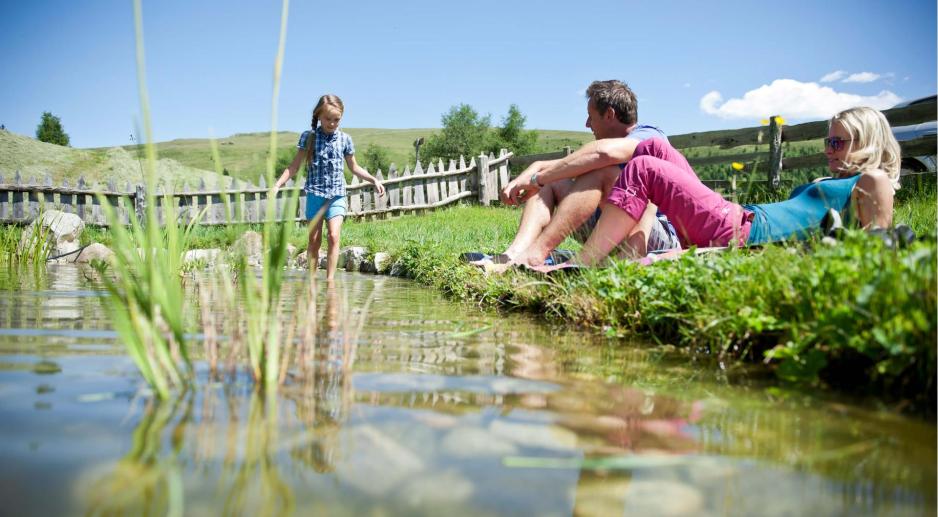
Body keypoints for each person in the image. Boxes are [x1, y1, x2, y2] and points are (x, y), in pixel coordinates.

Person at [546, 106, 901, 268]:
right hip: (740, 220)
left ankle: (585, 262)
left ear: (868, 142)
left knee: (644, 167)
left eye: (838, 143)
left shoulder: (874, 180)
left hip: (743, 230)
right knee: (653, 148)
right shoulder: (836, 182)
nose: (828, 149)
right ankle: (617, 254)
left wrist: (708, 254)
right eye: (828, 142)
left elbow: (872, 254)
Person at [491, 80, 681, 269]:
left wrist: (536, 178)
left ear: (609, 115)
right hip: (609, 230)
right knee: (552, 181)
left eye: (591, 116)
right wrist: (537, 167)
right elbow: (568, 165)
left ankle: (540, 256)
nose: (587, 124)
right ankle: (513, 256)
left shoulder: (650, 137)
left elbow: (603, 153)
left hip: (654, 239)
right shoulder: (611, 149)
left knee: (603, 173)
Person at [274, 94, 386, 280]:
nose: (332, 123)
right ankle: (311, 281)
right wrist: (277, 185)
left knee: (333, 236)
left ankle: (330, 282)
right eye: (328, 119)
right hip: (315, 195)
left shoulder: (345, 139)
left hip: (337, 195)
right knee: (314, 240)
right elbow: (294, 166)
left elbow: (354, 167)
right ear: (318, 115)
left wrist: (374, 180)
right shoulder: (309, 137)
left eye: (336, 120)